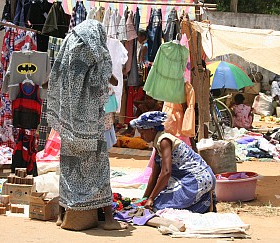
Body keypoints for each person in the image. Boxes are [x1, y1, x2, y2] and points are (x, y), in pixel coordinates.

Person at [47, 19, 127, 231]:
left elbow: (53, 78)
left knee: (69, 168)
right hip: (91, 125)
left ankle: (62, 214)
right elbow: (106, 81)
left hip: (69, 124)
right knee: (99, 167)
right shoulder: (97, 54)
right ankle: (109, 219)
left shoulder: (68, 48)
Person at [130, 111, 216, 213]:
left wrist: (151, 199)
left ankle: (205, 200)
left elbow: (166, 172)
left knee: (159, 207)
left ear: (152, 129)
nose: (141, 136)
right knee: (155, 203)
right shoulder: (157, 144)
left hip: (197, 179)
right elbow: (154, 176)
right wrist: (144, 199)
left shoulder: (164, 141)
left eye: (142, 132)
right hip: (188, 178)